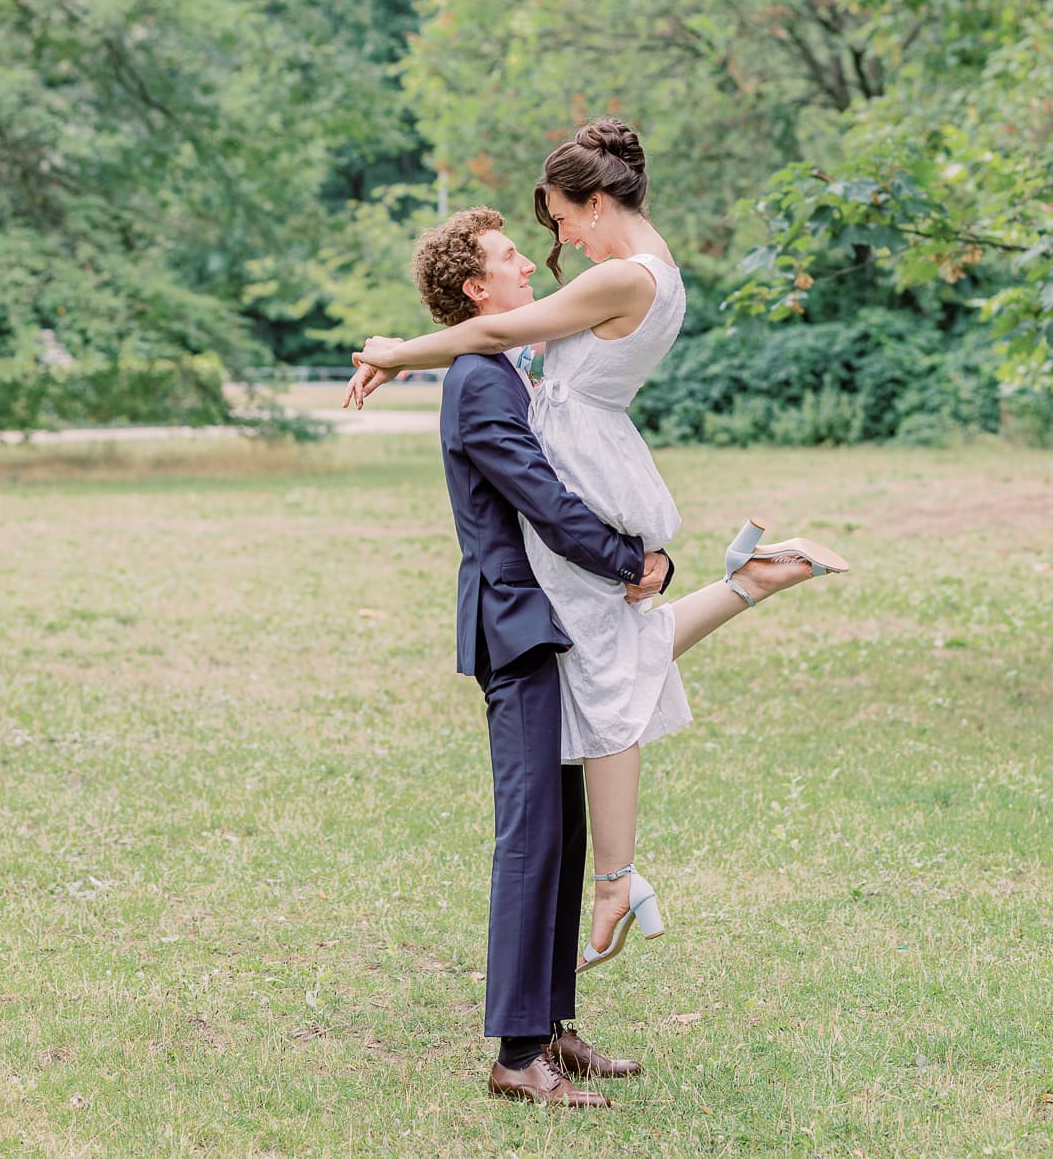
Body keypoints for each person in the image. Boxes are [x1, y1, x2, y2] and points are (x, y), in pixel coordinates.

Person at [347, 119, 849, 975]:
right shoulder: (657, 272)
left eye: (562, 220)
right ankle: (748, 585)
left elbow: (488, 334)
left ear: (597, 199)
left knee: (612, 669)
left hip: (580, 461)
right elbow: (500, 329)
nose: (560, 241)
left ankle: (615, 877)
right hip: (598, 454)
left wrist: (397, 352)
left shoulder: (622, 273)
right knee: (620, 649)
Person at [390, 206, 675, 1109]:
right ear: (477, 288)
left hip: (557, 620)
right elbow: (546, 501)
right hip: (518, 625)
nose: (528, 265)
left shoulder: (506, 363)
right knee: (532, 838)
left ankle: (553, 1028)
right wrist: (631, 561)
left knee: (564, 830)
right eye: (512, 257)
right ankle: (516, 1055)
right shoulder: (478, 378)